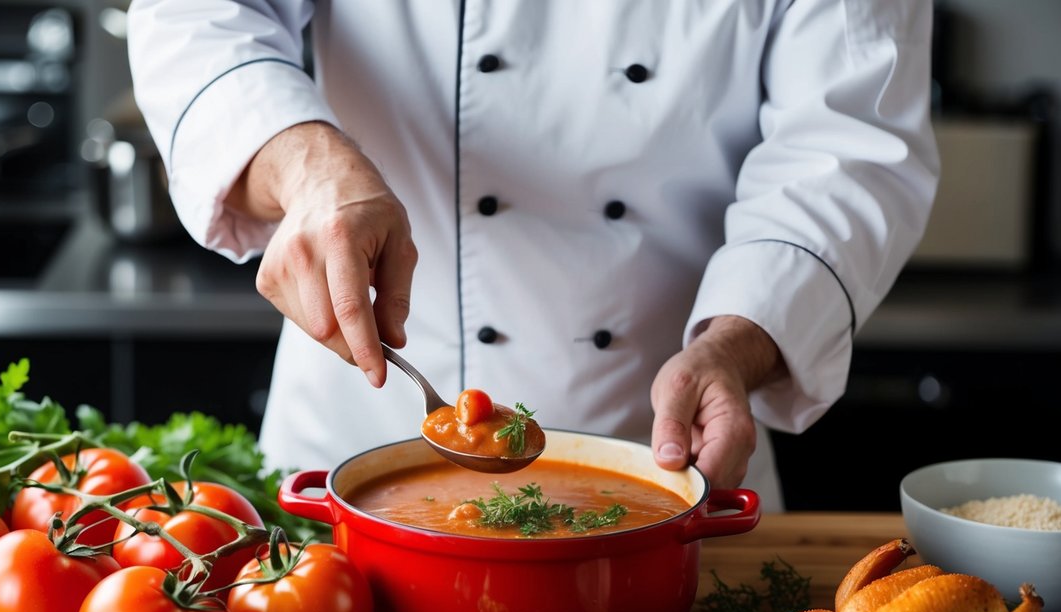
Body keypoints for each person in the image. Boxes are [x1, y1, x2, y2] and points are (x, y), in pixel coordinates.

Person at [126, 1, 939, 511]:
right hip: (352, 447)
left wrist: (734, 346)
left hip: (665, 456)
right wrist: (306, 167)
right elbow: (193, 16)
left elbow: (848, 145)